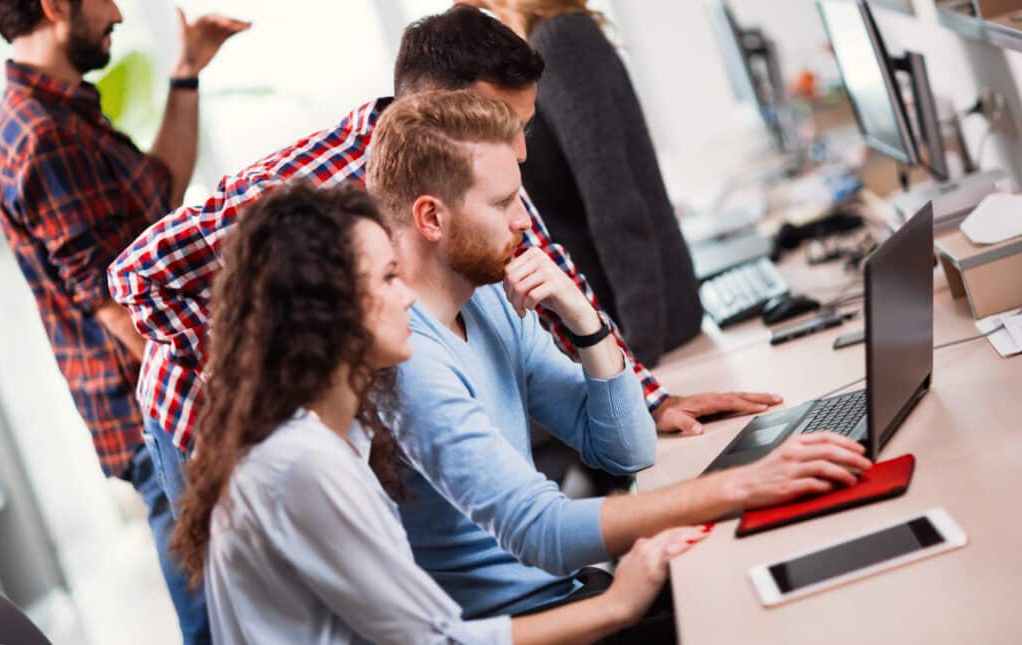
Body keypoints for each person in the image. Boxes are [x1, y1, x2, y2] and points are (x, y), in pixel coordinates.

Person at [105, 11, 780, 524]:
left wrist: (651, 398)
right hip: (201, 417)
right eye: (505, 122)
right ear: (440, 112)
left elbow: (549, 265)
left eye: (525, 125)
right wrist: (254, 378)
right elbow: (135, 274)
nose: (522, 145)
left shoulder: (476, 171)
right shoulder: (307, 182)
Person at [365, 88, 873, 621]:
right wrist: (740, 484)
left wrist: (583, 320)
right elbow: (541, 532)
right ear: (431, 219)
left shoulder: (488, 297)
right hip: (532, 623)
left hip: (567, 591)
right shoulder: (409, 359)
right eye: (500, 203)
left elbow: (627, 450)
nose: (522, 220)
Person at [170, 181, 709, 644]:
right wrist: (620, 603)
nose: (406, 298)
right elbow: (437, 639)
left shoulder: (341, 441)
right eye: (386, 278)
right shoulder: (303, 464)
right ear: (324, 307)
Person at [0, 1, 248, 642]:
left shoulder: (60, 112)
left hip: (155, 407)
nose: (114, 13)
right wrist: (226, 403)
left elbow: (156, 195)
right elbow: (117, 309)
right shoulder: (41, 134)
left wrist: (187, 71)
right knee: (216, 617)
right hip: (156, 415)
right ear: (57, 7)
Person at [470, 0, 703, 366]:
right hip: (623, 329)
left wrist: (632, 356)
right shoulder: (534, 42)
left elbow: (611, 195)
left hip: (642, 331)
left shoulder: (560, 39)